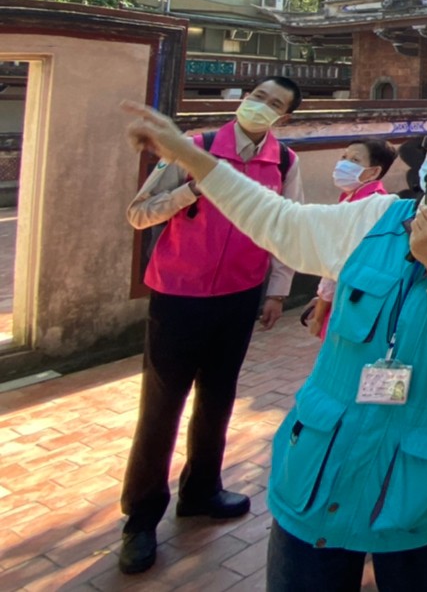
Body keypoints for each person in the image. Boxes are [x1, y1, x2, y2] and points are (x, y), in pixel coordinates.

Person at [121, 103, 427, 592]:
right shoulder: (377, 216)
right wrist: (192, 158)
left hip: (421, 480)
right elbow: (279, 221)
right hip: (321, 463)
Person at [119, 77, 304, 575]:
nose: (262, 107)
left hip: (239, 296)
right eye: (259, 96)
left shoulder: (283, 162)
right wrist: (190, 190)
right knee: (162, 405)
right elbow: (138, 214)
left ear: (284, 118)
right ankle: (141, 516)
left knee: (218, 397)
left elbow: (285, 223)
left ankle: (202, 489)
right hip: (178, 295)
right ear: (244, 97)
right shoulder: (195, 148)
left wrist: (278, 291)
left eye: (275, 105)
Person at [305, 138, 398, 339]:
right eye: (344, 157)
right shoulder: (356, 199)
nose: (344, 164)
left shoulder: (366, 206)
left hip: (350, 302)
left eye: (355, 160)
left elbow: (335, 268)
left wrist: (319, 316)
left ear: (374, 172)